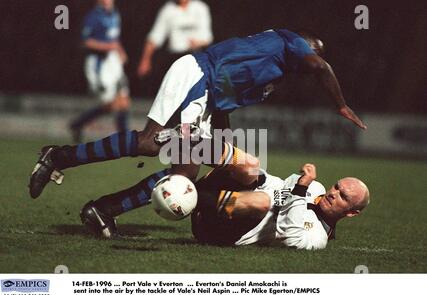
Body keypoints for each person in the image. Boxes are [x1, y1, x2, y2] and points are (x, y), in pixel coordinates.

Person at [29, 28, 367, 238]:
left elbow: (224, 106)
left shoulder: (272, 73)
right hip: (196, 74)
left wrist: (222, 148)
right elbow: (320, 67)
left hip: (208, 93)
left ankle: (102, 210)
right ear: (304, 47)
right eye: (311, 52)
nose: (311, 61)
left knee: (185, 175)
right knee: (150, 143)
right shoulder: (290, 43)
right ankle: (58, 156)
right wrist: (340, 104)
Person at [192, 163, 370, 250]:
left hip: (223, 231)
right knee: (250, 166)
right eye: (337, 186)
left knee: (262, 202)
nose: (334, 193)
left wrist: (299, 190)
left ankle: (191, 199)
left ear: (352, 213)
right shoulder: (316, 188)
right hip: (228, 202)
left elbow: (289, 237)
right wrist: (262, 178)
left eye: (343, 196)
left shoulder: (319, 237)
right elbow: (285, 185)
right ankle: (185, 150)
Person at [69, 0, 131, 143]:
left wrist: (120, 51)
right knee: (111, 104)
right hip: (99, 65)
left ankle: (125, 140)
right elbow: (85, 42)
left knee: (124, 99)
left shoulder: (115, 13)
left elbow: (114, 39)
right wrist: (108, 47)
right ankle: (77, 124)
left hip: (113, 62)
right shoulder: (93, 16)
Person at [137, 0, 213, 90]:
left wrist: (198, 43)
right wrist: (145, 60)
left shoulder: (200, 8)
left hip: (198, 58)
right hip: (176, 59)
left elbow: (207, 37)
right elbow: (155, 37)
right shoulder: (168, 10)